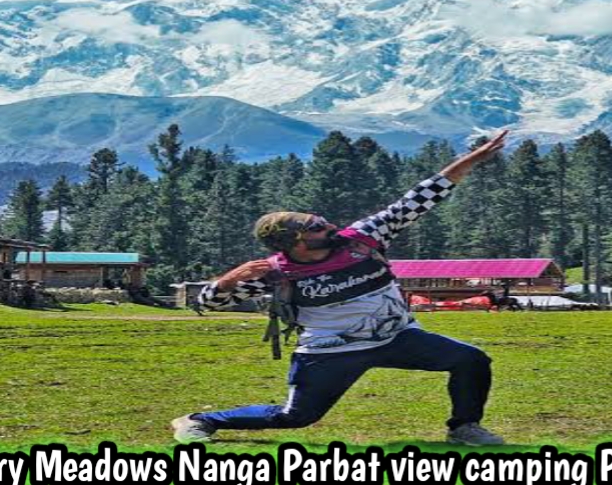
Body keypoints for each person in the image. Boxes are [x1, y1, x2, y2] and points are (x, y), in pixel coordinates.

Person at [172, 130, 509, 446]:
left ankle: (464, 427)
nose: (329, 225)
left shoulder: (365, 237)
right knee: (295, 417)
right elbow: (207, 302)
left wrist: (473, 159)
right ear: (296, 242)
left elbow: (420, 196)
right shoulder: (272, 272)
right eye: (317, 226)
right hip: (331, 351)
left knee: (471, 360)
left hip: (398, 337)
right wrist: (229, 280)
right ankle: (201, 420)